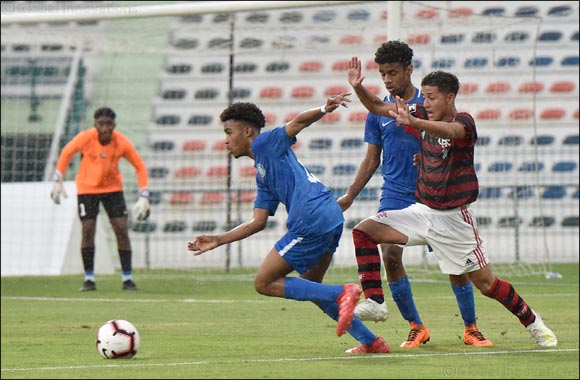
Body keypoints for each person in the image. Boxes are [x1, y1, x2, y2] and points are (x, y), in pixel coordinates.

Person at [348, 68, 558, 347]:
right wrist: (357, 87)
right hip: (423, 212)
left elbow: (450, 130)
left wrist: (415, 123)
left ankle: (533, 322)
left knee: (487, 285)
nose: (426, 103)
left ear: (450, 98)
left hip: (455, 220)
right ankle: (375, 301)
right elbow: (377, 106)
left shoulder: (464, 122)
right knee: (364, 231)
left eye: (432, 98)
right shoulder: (422, 116)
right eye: (425, 98)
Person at [188, 98, 391, 354]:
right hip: (330, 214)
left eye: (229, 132)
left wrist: (323, 109)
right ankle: (371, 342)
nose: (226, 140)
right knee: (312, 287)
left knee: (263, 282)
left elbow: (297, 123)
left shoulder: (263, 143)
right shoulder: (263, 171)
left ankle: (342, 292)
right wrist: (219, 239)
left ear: (247, 131)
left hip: (311, 218)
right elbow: (258, 221)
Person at [339, 42, 493, 348]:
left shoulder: (431, 104)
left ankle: (471, 327)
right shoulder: (380, 112)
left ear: (409, 69)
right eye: (382, 74)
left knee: (456, 265)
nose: (387, 79)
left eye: (393, 72)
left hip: (435, 196)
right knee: (390, 255)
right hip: (395, 194)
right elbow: (372, 159)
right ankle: (416, 326)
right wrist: (350, 196)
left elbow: (454, 140)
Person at [50, 107, 150, 292]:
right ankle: (89, 278)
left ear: (114, 125)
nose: (105, 128)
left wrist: (144, 194)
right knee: (88, 230)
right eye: (101, 124)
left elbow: (139, 166)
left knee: (121, 229)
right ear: (95, 125)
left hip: (113, 189)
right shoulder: (86, 137)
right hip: (87, 189)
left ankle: (127, 278)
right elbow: (66, 152)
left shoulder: (121, 142)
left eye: (109, 124)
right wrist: (58, 178)